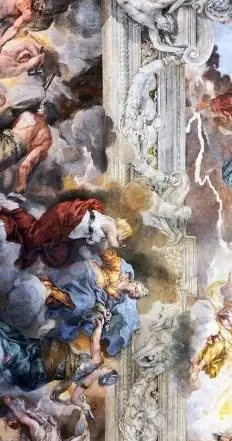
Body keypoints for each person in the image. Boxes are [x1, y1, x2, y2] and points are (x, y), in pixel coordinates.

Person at [43, 247, 148, 356]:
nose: (133, 291)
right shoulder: (120, 271)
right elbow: (107, 255)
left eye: (135, 295)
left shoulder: (118, 297)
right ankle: (52, 283)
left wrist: (104, 311)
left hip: (92, 290)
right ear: (135, 282)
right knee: (84, 292)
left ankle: (54, 296)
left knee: (85, 303)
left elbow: (104, 301)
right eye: (136, 288)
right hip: (90, 273)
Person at [0, 315, 118, 406]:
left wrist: (99, 327)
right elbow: (74, 399)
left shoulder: (96, 363)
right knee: (22, 353)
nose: (108, 367)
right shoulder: (87, 382)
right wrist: (81, 405)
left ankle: (7, 352)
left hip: (54, 359)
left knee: (21, 350)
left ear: (106, 374)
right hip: (49, 369)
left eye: (109, 370)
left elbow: (94, 341)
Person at [0, 196, 133, 269]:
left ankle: (20, 219)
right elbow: (112, 241)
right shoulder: (111, 226)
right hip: (65, 217)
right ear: (122, 232)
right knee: (33, 239)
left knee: (55, 255)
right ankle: (14, 207)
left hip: (67, 231)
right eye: (123, 239)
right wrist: (119, 245)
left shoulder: (106, 232)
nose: (121, 241)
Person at [0, 0, 72, 48]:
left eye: (40, 8)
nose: (40, 6)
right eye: (41, 5)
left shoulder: (27, 13)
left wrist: (1, 41)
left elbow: (14, 29)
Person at [0, 99, 58, 192]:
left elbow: (8, 124)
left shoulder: (26, 115)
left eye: (42, 107)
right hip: (12, 155)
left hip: (5, 142)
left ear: (44, 111)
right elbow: (27, 163)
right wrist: (22, 183)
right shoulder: (47, 139)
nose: (39, 108)